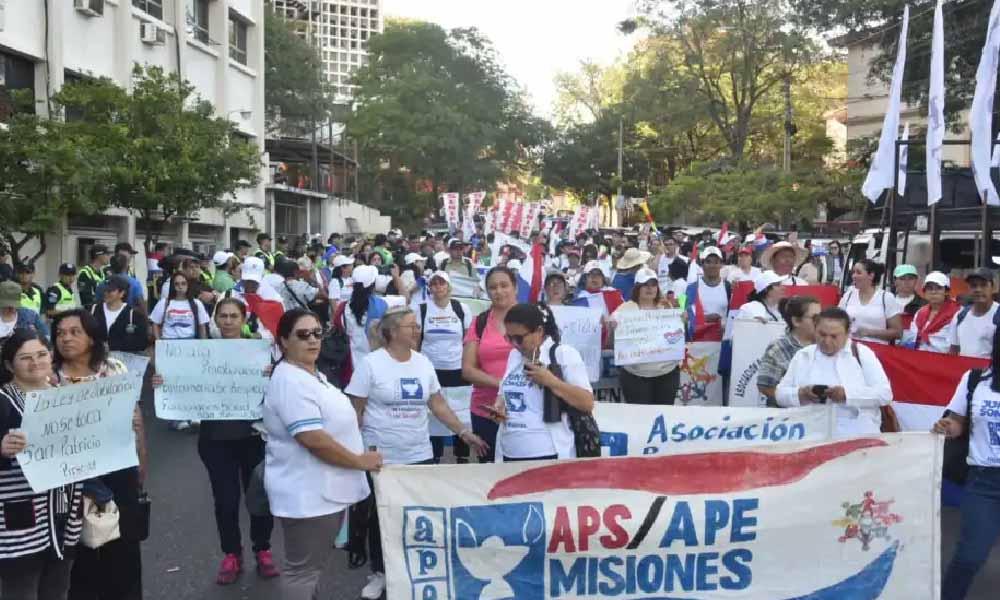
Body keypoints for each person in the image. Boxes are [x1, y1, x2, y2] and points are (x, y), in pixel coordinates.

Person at [346, 307, 487, 599]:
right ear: (392, 332)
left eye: (417, 326)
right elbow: (354, 412)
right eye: (411, 326)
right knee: (379, 518)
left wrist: (464, 432)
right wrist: (351, 455)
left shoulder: (423, 363)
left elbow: (437, 405)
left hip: (419, 453)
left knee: (414, 515)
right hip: (381, 456)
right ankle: (380, 573)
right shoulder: (371, 364)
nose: (417, 330)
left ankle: (410, 569)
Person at [151, 298, 277, 585]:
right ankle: (232, 553)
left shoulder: (259, 352)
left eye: (234, 316)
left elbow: (280, 390)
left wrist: (272, 373)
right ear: (216, 320)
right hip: (215, 440)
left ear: (244, 319)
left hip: (253, 437)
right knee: (226, 500)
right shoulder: (199, 353)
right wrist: (163, 382)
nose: (229, 321)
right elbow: (180, 382)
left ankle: (263, 548)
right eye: (224, 316)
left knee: (259, 497)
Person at [263, 309, 380, 600]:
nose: (313, 340)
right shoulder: (291, 381)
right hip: (309, 494)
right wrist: (359, 461)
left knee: (311, 568)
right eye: (303, 335)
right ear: (284, 342)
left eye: (318, 332)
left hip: (322, 491)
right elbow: (312, 439)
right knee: (302, 572)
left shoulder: (310, 374)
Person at [50, 310, 145, 600]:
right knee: (80, 555)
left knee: (124, 549)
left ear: (92, 337)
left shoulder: (114, 368)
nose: (66, 338)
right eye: (60, 333)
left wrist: (142, 461)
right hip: (70, 477)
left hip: (118, 472)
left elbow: (135, 416)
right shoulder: (50, 377)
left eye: (74, 332)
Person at [0, 330, 84, 600]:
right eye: (25, 358)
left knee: (58, 590)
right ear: (10, 365)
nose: (35, 362)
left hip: (63, 514)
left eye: (41, 354)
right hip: (19, 523)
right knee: (21, 591)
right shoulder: (3, 401)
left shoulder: (66, 396)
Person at [934, 329, 1000, 600]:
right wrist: (948, 425)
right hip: (983, 481)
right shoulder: (975, 380)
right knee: (970, 556)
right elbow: (958, 421)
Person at [491, 303, 595, 460]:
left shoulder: (563, 354)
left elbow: (587, 402)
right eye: (509, 338)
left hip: (547, 452)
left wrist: (551, 381)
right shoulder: (514, 356)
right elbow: (504, 394)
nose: (514, 344)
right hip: (509, 450)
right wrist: (499, 407)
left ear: (539, 331)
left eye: (519, 338)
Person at [776, 307, 892, 436]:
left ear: (847, 334)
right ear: (815, 330)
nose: (827, 341)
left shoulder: (862, 354)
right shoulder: (803, 355)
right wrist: (801, 393)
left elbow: (884, 394)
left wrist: (846, 395)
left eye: (834, 336)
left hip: (856, 434)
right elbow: (780, 394)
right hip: (811, 434)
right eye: (822, 334)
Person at [416, 272, 474, 463]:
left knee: (460, 412)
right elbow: (415, 341)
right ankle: (436, 456)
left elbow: (469, 340)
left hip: (458, 371)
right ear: (429, 288)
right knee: (433, 413)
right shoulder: (422, 309)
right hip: (432, 371)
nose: (438, 287)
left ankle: (462, 455)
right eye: (434, 284)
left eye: (442, 284)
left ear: (448, 287)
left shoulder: (460, 308)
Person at [462, 267, 517, 463]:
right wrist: (503, 384)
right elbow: (468, 369)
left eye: (504, 285)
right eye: (493, 287)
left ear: (515, 288)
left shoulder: (531, 318)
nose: (499, 291)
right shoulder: (479, 322)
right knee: (490, 475)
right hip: (485, 411)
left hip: (522, 411)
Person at [610, 268, 681, 405]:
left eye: (653, 284)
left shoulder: (666, 307)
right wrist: (612, 327)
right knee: (640, 419)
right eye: (645, 284)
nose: (650, 288)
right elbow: (613, 340)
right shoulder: (625, 309)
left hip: (667, 373)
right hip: (636, 376)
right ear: (637, 287)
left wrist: (682, 321)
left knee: (664, 415)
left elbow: (675, 336)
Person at [757, 296, 821, 406]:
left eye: (822, 317)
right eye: (815, 318)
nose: (820, 322)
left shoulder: (825, 345)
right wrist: (796, 397)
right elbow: (765, 387)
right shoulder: (779, 348)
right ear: (796, 321)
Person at [342, 265, 405, 369]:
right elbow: (405, 298)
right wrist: (396, 277)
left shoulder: (344, 308)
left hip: (354, 366)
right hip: (378, 365)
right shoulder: (383, 303)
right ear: (373, 284)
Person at [838, 259, 902, 344]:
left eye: (858, 273)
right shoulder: (848, 295)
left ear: (871, 275)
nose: (854, 276)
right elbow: (837, 320)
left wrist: (869, 332)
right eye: (853, 272)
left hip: (877, 350)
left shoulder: (886, 298)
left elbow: (898, 332)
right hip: (850, 347)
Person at [90, 276, 149, 353]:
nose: (106, 293)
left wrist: (112, 346)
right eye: (105, 290)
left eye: (110, 290)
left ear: (122, 293)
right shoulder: (93, 310)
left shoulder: (133, 315)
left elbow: (141, 342)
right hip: (97, 359)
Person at [949, 269, 999, 358]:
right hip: (964, 370)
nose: (978, 289)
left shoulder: (997, 315)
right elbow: (953, 350)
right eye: (973, 286)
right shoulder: (960, 316)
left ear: (993, 287)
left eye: (983, 285)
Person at [685, 247, 731, 341]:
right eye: (708, 262)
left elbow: (732, 314)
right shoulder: (692, 286)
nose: (712, 265)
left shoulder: (728, 286)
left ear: (721, 264)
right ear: (702, 264)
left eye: (716, 262)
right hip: (698, 342)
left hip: (721, 341)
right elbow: (684, 314)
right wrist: (705, 318)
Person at [907, 271, 959, 353]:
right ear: (924, 292)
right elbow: (911, 339)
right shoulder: (920, 313)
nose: (933, 292)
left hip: (945, 361)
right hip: (919, 359)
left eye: (938, 288)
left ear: (946, 292)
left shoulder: (957, 313)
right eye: (930, 288)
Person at [150, 272, 210, 342]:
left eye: (183, 283)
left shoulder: (197, 303)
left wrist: (203, 344)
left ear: (188, 285)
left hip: (190, 341)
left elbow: (202, 326)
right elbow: (155, 324)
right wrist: (159, 342)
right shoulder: (164, 303)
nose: (180, 286)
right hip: (168, 341)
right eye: (177, 284)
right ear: (173, 286)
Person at [0, 281, 49, 347]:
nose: (10, 309)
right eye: (6, 306)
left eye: (13, 305)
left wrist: (36, 335)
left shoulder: (30, 316)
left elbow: (47, 338)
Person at [892, 264, 927, 330]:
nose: (906, 282)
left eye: (910, 278)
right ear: (895, 281)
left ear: (916, 280)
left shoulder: (924, 305)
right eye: (902, 279)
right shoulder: (887, 302)